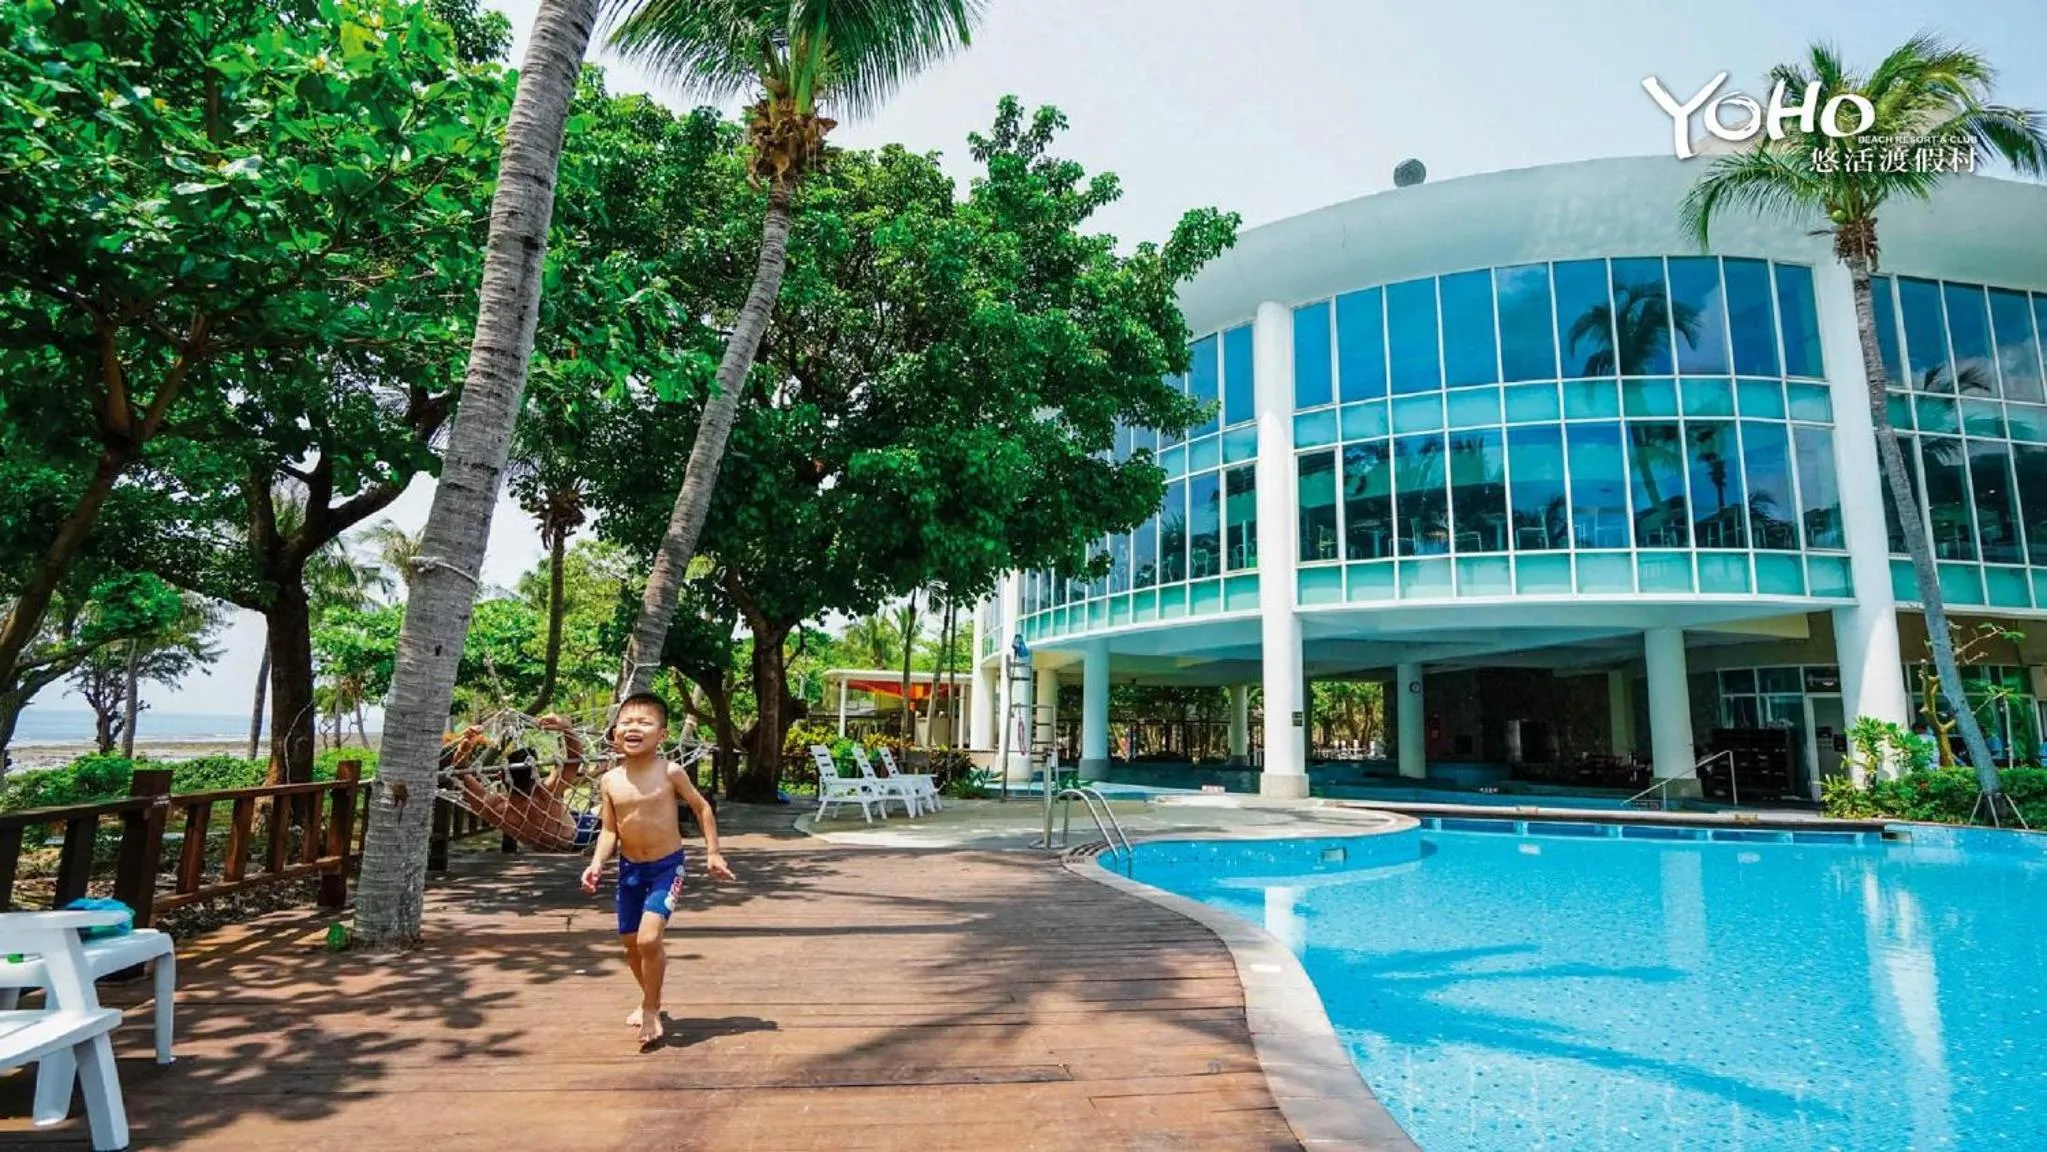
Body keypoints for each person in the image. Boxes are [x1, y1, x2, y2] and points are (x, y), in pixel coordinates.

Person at [580, 692, 734, 1049]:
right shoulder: (610, 781)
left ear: (662, 734)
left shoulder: (670, 772)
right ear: (615, 732)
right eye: (627, 722)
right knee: (631, 947)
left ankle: (650, 1008)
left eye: (644, 722)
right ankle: (652, 998)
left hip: (667, 868)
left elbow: (702, 807)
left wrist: (713, 852)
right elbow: (609, 830)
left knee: (650, 939)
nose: (634, 728)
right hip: (629, 870)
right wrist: (597, 862)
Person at [451, 714, 597, 851]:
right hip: (578, 839)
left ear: (501, 775)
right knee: (602, 810)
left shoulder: (496, 807)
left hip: (543, 841)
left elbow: (460, 772)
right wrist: (567, 728)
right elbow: (574, 761)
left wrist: (462, 749)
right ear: (535, 774)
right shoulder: (545, 793)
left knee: (586, 812)